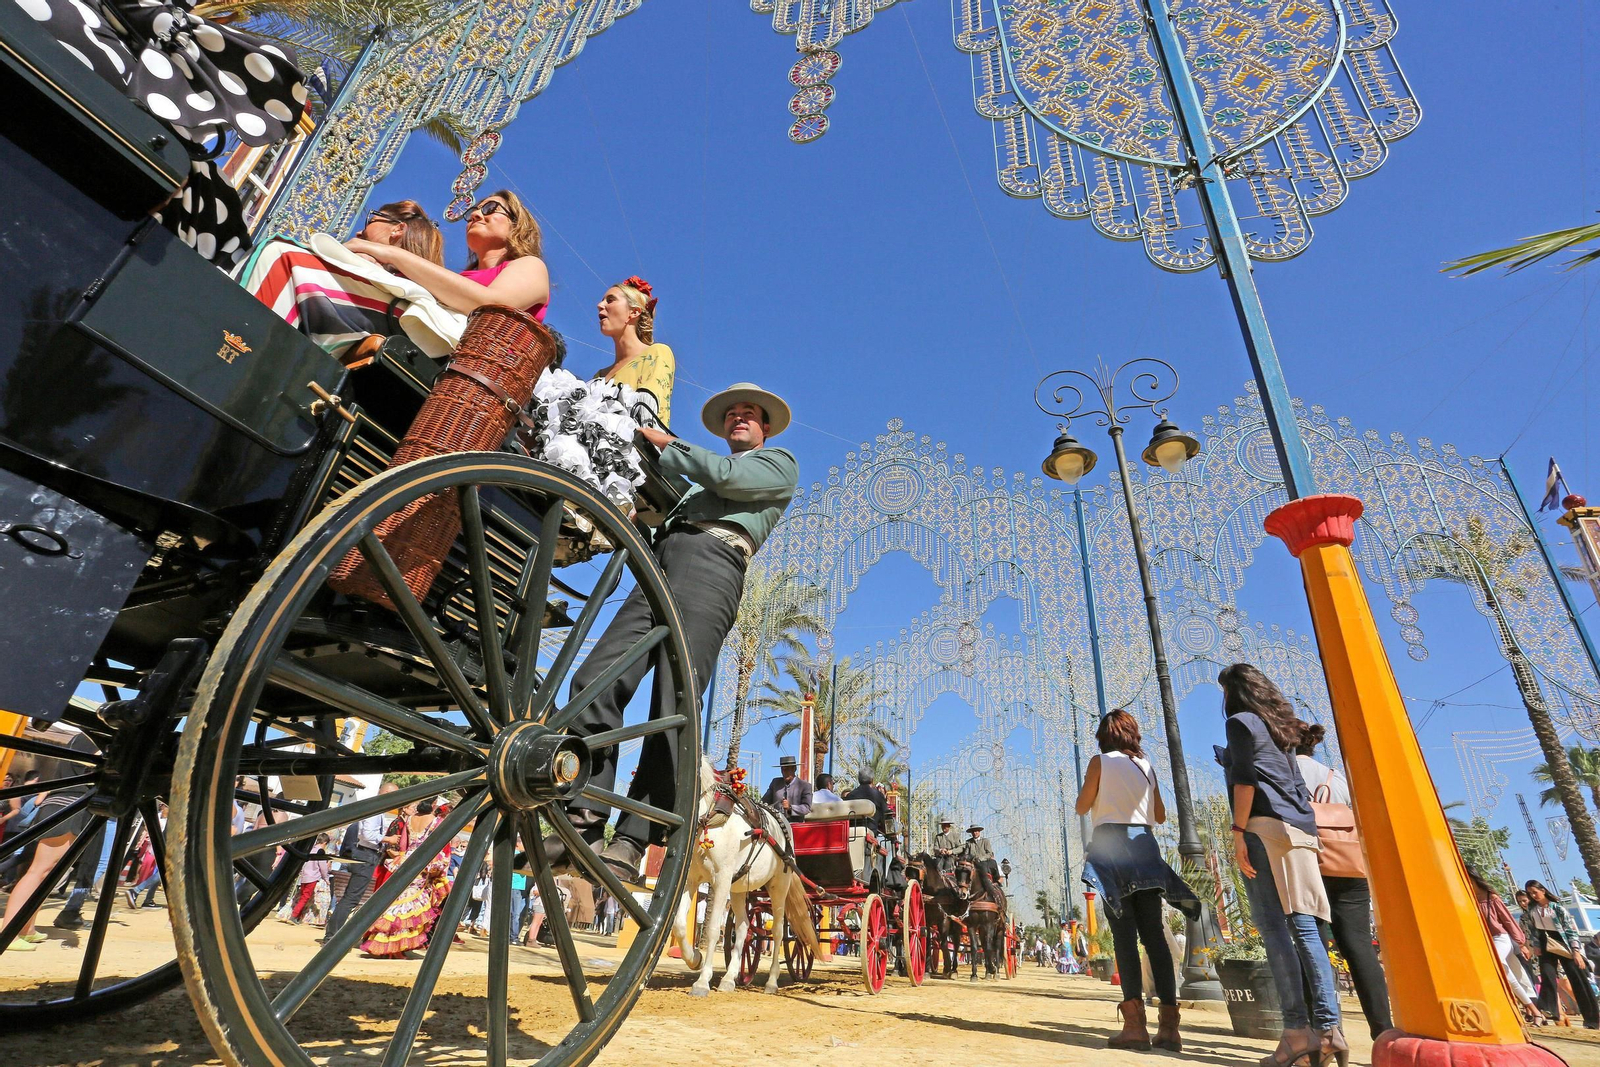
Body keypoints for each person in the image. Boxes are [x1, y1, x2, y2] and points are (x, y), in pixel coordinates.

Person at [548, 384, 800, 884]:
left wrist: (668, 445)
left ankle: (635, 837)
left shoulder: (778, 465)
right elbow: (661, 500)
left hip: (714, 565)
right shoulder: (694, 485)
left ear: (765, 427)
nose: (738, 419)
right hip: (661, 563)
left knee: (673, 703)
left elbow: (725, 474)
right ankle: (584, 813)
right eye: (731, 414)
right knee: (596, 679)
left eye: (748, 414)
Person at [243, 191, 550, 359]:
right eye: (474, 209)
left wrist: (388, 253)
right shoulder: (461, 277)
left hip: (449, 353)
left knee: (286, 259)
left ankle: (239, 345)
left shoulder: (530, 266)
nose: (475, 214)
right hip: (416, 330)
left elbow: (489, 305)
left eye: (491, 207)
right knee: (286, 259)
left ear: (516, 224)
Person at [1218, 664, 1345, 1067]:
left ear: (1232, 693)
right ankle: (1330, 1030)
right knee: (1306, 927)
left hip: (1265, 829)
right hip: (1302, 829)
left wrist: (1238, 831)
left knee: (1274, 929)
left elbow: (1245, 781)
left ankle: (1295, 1033)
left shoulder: (1240, 722)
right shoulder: (1282, 728)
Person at [1076, 709, 1200, 1052]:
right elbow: (1159, 815)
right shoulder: (1146, 767)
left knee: (1124, 937)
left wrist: (1103, 797)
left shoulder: (1100, 762)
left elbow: (1082, 806)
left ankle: (1135, 1026)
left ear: (1104, 736)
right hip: (1145, 847)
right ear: (1132, 735)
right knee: (1155, 936)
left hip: (1112, 846)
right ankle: (1170, 1029)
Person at [1293, 721, 1392, 1038]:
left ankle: (1321, 1030)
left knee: (1311, 946)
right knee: (1360, 948)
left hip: (1306, 865)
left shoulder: (1283, 775)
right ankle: (1383, 1031)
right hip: (1349, 867)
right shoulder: (1335, 777)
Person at [0, 727, 99, 952]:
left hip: (62, 802)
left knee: (45, 873)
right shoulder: (95, 742)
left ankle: (27, 928)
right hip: (69, 803)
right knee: (40, 871)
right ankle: (9, 932)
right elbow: (100, 767)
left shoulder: (79, 738)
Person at [360, 800, 452, 957]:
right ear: (434, 804)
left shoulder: (409, 819)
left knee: (397, 901)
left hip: (406, 860)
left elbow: (403, 845)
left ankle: (384, 943)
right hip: (423, 862)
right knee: (409, 905)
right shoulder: (437, 821)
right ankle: (395, 947)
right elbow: (439, 845)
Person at [1466, 866, 1546, 1025]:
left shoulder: (1491, 897)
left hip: (1500, 938)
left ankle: (1533, 1010)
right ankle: (1532, 1010)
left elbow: (1508, 920)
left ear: (1473, 877)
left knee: (1499, 964)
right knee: (1515, 974)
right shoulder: (1468, 898)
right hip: (1485, 941)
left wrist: (1521, 943)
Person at [321, 782, 400, 943]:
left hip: (364, 854)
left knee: (350, 897)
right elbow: (368, 835)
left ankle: (333, 934)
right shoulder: (376, 809)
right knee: (351, 898)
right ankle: (332, 936)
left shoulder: (376, 808)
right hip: (365, 855)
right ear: (385, 793)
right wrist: (388, 839)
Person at [1524, 879, 1598, 1028]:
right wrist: (1536, 946)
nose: (1533, 896)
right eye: (1530, 893)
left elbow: (1570, 930)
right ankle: (1547, 1009)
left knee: (1577, 978)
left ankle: (1592, 1019)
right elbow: (1534, 932)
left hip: (1563, 943)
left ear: (1543, 890)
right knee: (1547, 974)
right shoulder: (1532, 911)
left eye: (1535, 892)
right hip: (1546, 944)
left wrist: (1576, 951)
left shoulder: (1557, 908)